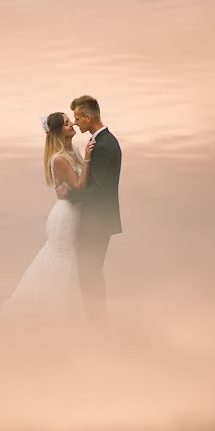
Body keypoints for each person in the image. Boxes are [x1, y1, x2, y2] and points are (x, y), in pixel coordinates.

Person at [0, 111, 95, 327]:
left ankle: (62, 314)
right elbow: (78, 185)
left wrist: (84, 157)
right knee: (63, 259)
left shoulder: (72, 151)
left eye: (70, 122)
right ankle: (51, 314)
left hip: (74, 211)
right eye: (67, 124)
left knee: (68, 259)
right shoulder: (59, 158)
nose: (72, 125)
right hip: (65, 216)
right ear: (59, 131)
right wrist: (88, 157)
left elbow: (73, 185)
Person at [58, 95, 122, 323]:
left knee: (89, 273)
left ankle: (97, 324)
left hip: (96, 222)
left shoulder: (104, 146)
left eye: (77, 118)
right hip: (99, 221)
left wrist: (70, 194)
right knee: (91, 272)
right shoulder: (103, 141)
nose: (75, 123)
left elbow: (99, 191)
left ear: (88, 117)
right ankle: (97, 321)